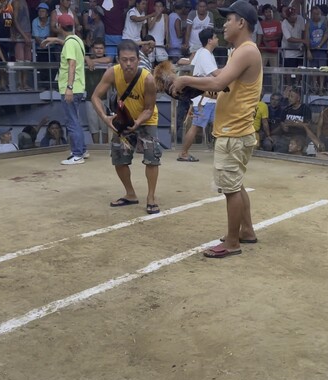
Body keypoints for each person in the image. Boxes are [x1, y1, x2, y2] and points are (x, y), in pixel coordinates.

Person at [171, 0, 261, 258]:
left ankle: (233, 242)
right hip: (235, 130)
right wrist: (196, 87)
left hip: (234, 131)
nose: (224, 25)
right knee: (237, 184)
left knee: (230, 189)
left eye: (229, 19)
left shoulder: (245, 51)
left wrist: (185, 78)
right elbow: (220, 85)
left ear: (241, 23)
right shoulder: (239, 51)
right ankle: (247, 230)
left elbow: (218, 80)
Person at [91, 39, 162, 214]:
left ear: (138, 60)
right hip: (124, 119)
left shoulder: (148, 79)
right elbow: (95, 97)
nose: (128, 63)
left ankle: (151, 197)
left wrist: (137, 123)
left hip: (146, 119)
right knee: (119, 157)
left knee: (151, 156)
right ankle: (130, 194)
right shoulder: (112, 74)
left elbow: (149, 108)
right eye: (124, 59)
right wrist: (105, 118)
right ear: (118, 59)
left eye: (132, 59)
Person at [42, 14, 89, 165]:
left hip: (71, 88)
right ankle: (81, 150)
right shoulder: (77, 40)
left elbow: (72, 65)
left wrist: (69, 87)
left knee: (71, 121)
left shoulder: (69, 44)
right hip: (79, 86)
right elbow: (69, 46)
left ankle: (77, 155)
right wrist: (56, 40)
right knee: (75, 119)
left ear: (59, 27)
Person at [179, 28, 220, 162]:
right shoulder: (205, 54)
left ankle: (222, 151)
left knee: (218, 124)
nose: (217, 39)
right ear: (210, 40)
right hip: (204, 98)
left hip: (206, 97)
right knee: (196, 126)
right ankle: (183, 153)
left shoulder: (203, 53)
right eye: (215, 37)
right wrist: (232, 68)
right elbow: (215, 74)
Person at [85, 38, 114, 144]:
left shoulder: (107, 59)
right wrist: (87, 58)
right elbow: (81, 57)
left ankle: (105, 148)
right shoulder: (86, 60)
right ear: (92, 49)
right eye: (96, 48)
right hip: (90, 98)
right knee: (93, 125)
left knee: (105, 124)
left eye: (101, 48)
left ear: (104, 49)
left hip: (105, 98)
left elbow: (109, 60)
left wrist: (91, 61)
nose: (99, 50)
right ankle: (96, 147)